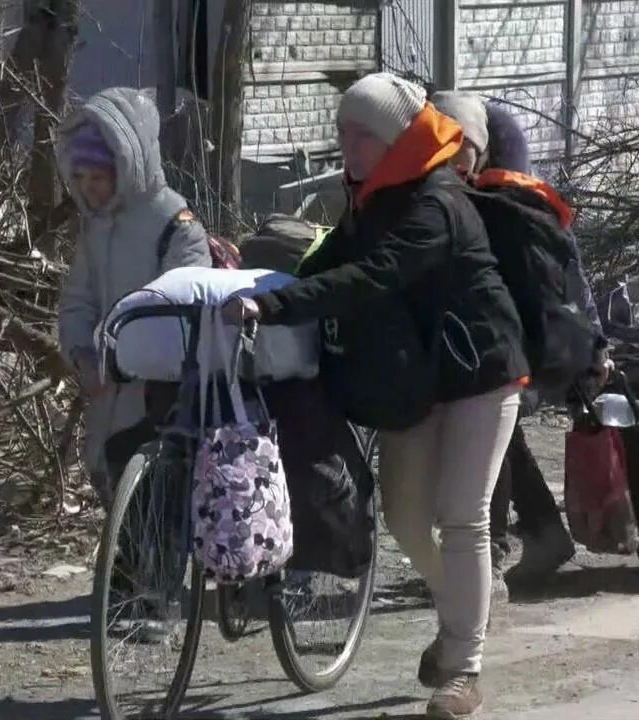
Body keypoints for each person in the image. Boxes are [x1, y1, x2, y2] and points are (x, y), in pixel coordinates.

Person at [226, 72, 528, 720]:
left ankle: (462, 668)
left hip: (483, 373)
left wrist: (277, 304)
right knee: (403, 516)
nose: (345, 144)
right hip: (415, 382)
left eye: (358, 133)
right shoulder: (370, 194)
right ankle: (464, 613)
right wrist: (250, 276)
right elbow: (330, 256)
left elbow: (374, 275)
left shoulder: (435, 202)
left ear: (393, 138)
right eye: (340, 131)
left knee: (462, 515)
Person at [431, 92, 610, 585]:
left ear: (481, 148)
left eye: (459, 147)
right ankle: (539, 533)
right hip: (497, 346)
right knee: (499, 431)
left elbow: (567, 277)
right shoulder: (459, 198)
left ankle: (491, 547)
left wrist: (596, 342)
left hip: (532, 348)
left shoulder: (508, 202)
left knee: (493, 421)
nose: (449, 157)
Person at [55, 87, 211, 504]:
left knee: (156, 518)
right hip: (107, 402)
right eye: (81, 178)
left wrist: (122, 362)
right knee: (117, 509)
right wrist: (82, 357)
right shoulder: (96, 228)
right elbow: (77, 303)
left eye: (99, 178)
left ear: (128, 166)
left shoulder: (177, 228)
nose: (89, 189)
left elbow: (182, 322)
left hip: (159, 406)